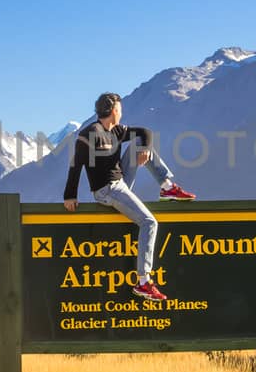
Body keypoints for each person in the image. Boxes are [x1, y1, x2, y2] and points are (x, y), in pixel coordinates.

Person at [62, 92, 195, 302]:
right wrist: (70, 195)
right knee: (149, 222)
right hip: (106, 190)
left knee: (141, 144)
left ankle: (167, 187)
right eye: (120, 109)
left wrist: (144, 148)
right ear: (114, 110)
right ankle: (143, 282)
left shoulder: (116, 130)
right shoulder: (91, 133)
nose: (122, 112)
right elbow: (75, 164)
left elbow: (145, 132)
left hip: (121, 182)